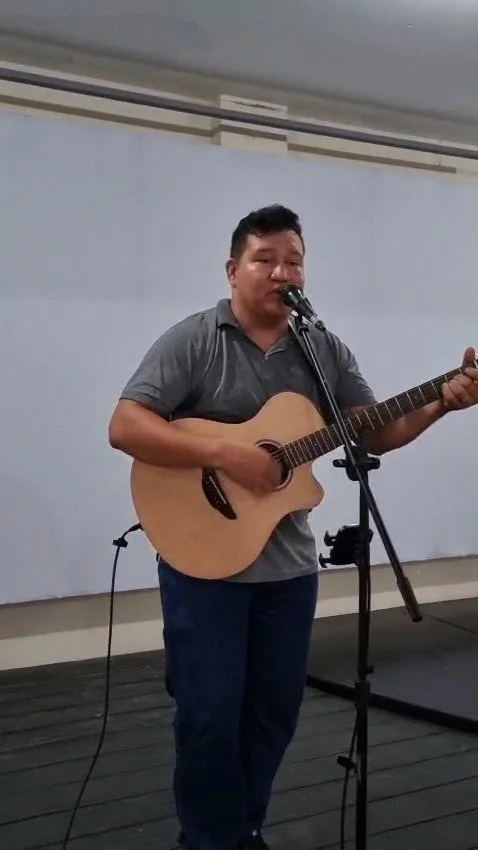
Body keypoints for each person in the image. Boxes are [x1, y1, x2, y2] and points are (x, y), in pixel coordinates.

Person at [108, 204, 478, 850]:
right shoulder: (194, 340)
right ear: (233, 270)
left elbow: (375, 431)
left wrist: (441, 403)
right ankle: (208, 841)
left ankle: (241, 829)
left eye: (294, 261)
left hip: (288, 570)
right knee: (208, 715)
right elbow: (126, 425)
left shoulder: (322, 349)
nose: (283, 272)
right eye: (266, 259)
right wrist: (226, 455)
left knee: (274, 712)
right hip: (202, 568)